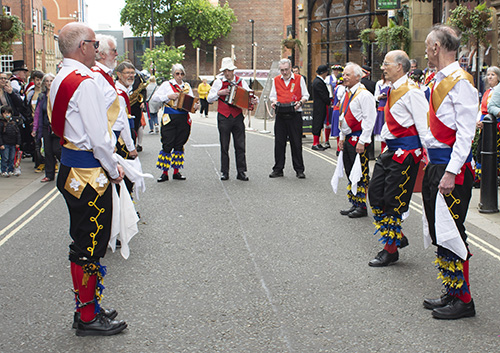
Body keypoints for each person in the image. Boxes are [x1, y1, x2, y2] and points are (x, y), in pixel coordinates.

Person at [49, 22, 127, 336]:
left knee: (86, 243)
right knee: (89, 246)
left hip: (71, 168)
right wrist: (114, 168)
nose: (97, 50)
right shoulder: (85, 81)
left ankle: (90, 306)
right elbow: (99, 138)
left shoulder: (61, 77)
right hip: (88, 173)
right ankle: (86, 316)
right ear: (83, 46)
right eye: (95, 44)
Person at [421, 25, 478, 320]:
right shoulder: (438, 79)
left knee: (453, 231)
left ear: (436, 48)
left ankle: (464, 301)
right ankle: (452, 290)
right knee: (439, 230)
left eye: (428, 45)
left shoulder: (462, 82)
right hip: (437, 165)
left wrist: (452, 172)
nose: (426, 51)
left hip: (450, 170)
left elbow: (466, 135)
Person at [367, 50, 428, 267]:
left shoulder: (412, 91)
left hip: (406, 153)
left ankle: (390, 250)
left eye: (386, 63)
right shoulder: (392, 89)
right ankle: (397, 236)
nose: (383, 67)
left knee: (394, 201)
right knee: (374, 194)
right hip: (390, 150)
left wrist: (426, 157)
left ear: (399, 66)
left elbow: (424, 125)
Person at [206, 57, 257, 181]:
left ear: (233, 71)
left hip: (237, 117)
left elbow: (250, 94)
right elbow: (209, 98)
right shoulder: (218, 82)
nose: (227, 73)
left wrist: (255, 99)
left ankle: (241, 172)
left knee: (240, 145)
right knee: (224, 145)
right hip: (224, 117)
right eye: (225, 71)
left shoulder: (241, 81)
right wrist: (219, 93)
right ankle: (225, 172)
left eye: (229, 70)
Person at [338, 62, 376, 218]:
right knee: (350, 171)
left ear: (358, 77)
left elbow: (369, 119)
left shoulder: (364, 95)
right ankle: (354, 202)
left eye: (347, 75)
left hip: (358, 139)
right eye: (344, 74)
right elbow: (343, 116)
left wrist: (363, 141)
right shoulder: (347, 93)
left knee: (360, 173)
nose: (344, 77)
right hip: (348, 138)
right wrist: (341, 137)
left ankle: (361, 206)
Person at [93, 35, 137, 162]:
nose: (117, 53)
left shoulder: (104, 76)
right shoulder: (97, 77)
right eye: (114, 50)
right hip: (111, 138)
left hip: (112, 136)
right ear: (102, 54)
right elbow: (97, 114)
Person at [151, 64, 197, 182]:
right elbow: (155, 98)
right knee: (167, 144)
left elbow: (191, 100)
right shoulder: (167, 85)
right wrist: (168, 96)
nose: (180, 76)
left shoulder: (186, 86)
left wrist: (195, 106)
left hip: (183, 117)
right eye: (177, 73)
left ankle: (176, 172)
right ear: (173, 74)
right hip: (170, 117)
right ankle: (164, 173)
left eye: (182, 74)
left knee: (179, 144)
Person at [269, 58, 309, 179]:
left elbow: (306, 95)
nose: (284, 72)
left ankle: (299, 170)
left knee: (296, 143)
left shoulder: (299, 79)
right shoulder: (275, 80)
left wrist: (300, 103)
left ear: (290, 68)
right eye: (282, 70)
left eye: (286, 70)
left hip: (295, 115)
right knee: (279, 143)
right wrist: (274, 102)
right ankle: (278, 169)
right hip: (280, 115)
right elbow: (272, 96)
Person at [473, 66, 500, 187]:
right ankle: (481, 178)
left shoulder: (497, 91)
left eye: (493, 74)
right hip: (484, 123)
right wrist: (478, 121)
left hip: (493, 124)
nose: (490, 77)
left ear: (498, 77)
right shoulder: (487, 92)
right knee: (481, 151)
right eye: (488, 74)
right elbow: (481, 108)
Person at [32, 73, 60, 182]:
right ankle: (49, 174)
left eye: (51, 81)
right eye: (47, 81)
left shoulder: (58, 95)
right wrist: (35, 129)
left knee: (57, 150)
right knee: (48, 151)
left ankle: (66, 170)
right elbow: (38, 113)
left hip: (57, 127)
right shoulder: (42, 97)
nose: (49, 83)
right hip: (45, 127)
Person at [311, 64, 331, 151]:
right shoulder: (318, 82)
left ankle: (317, 142)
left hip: (320, 106)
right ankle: (315, 143)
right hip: (319, 106)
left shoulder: (318, 81)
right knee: (318, 123)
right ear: (324, 72)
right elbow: (323, 95)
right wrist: (329, 102)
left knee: (319, 123)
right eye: (326, 72)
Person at [0, 105, 21, 177]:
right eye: (5, 113)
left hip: (13, 143)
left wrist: (18, 142)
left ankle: (10, 170)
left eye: (8, 113)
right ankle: (4, 170)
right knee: (5, 157)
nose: (7, 115)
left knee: (12, 157)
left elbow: (18, 133)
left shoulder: (14, 123)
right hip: (5, 143)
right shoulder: (1, 123)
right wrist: (1, 144)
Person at [374, 72, 390, 148]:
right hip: (381, 108)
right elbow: (375, 97)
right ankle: (382, 150)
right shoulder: (379, 83)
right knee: (381, 130)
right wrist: (380, 96)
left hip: (389, 108)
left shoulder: (392, 83)